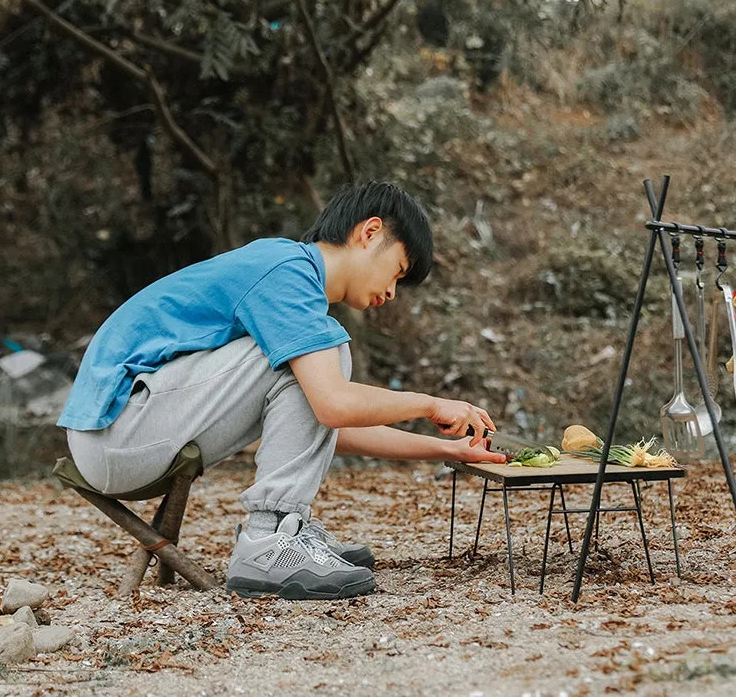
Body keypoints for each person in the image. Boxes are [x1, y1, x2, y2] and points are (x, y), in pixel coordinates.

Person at [57, 180, 498, 600]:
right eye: (397, 272)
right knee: (323, 348)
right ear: (370, 232)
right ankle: (270, 537)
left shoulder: (289, 283)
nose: (392, 292)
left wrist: (449, 452)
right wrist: (430, 402)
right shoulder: (287, 271)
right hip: (118, 432)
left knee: (317, 356)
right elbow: (334, 405)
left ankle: (288, 530)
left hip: (123, 439)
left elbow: (320, 425)